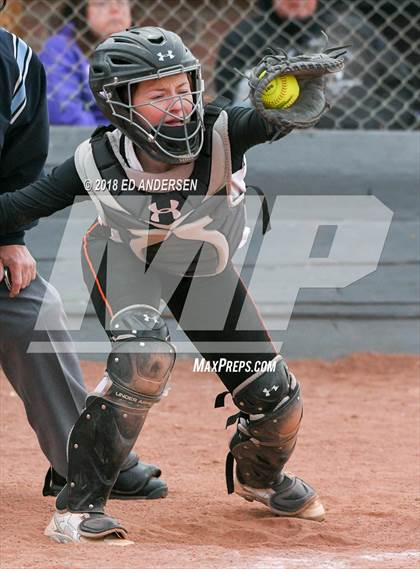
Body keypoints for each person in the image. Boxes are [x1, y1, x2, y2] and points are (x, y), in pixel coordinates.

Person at [0, 25, 345, 543]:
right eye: (157, 95)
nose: (178, 103)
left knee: (275, 401)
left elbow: (265, 120)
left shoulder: (224, 130)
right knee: (143, 361)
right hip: (125, 261)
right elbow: (18, 207)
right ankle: (77, 507)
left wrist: (282, 111)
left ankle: (262, 479)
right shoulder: (96, 160)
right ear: (120, 103)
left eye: (183, 87)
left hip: (201, 269)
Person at [0, 2, 167, 512]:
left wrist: (10, 237)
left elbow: (20, 162)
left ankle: (83, 460)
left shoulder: (17, 60)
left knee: (33, 310)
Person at [215, 0, 414, 129]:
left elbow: (401, 87)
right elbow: (231, 103)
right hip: (284, 141)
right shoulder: (244, 37)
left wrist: (379, 123)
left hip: (361, 136)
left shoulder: (355, 29)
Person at [39, 0, 132, 125]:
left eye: (121, 2)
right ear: (81, 10)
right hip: (93, 139)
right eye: (102, 3)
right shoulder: (60, 48)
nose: (115, 10)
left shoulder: (141, 49)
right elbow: (64, 113)